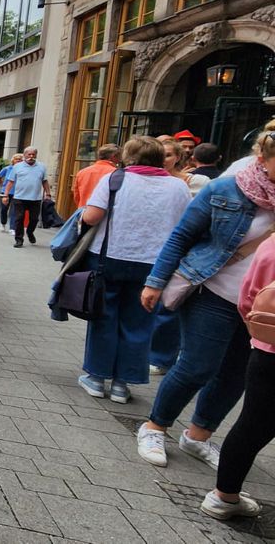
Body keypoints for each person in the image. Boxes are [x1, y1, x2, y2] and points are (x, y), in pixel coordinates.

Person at [137, 121, 275, 470]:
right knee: (198, 366)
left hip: (262, 306)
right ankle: (155, 426)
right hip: (213, 290)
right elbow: (182, 236)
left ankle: (198, 435)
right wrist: (155, 281)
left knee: (235, 375)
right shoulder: (227, 188)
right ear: (263, 157)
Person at [75, 137, 189, 404]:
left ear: (128, 157)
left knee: (104, 316)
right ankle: (121, 384)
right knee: (139, 322)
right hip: (154, 263)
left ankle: (96, 377)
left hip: (109, 257)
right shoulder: (178, 187)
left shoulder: (115, 179)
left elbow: (91, 217)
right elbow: (185, 226)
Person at [199, 235, 275, 520]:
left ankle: (224, 497)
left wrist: (258, 334)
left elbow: (249, 299)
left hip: (269, 350)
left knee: (251, 424)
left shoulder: (271, 245)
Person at [3, 147, 50, 248]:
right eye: (29, 154)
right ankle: (19, 239)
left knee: (34, 219)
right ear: (24, 155)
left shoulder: (41, 167)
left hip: (35, 198)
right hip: (19, 197)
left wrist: (48, 194)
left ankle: (30, 232)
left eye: (33, 154)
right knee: (19, 218)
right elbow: (10, 182)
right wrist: (5, 195)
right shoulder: (17, 167)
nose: (31, 156)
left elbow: (44, 181)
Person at [73, 144, 120, 208]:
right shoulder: (117, 173)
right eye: (119, 157)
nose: (120, 160)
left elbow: (77, 197)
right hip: (105, 213)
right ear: (113, 156)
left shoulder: (82, 172)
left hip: (84, 211)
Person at [0, 154, 22, 233]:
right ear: (13, 160)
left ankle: (12, 228)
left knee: (14, 210)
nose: (18, 161)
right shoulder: (7, 169)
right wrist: (2, 184)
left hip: (17, 192)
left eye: (20, 159)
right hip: (6, 192)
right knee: (4, 209)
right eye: (17, 159)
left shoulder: (22, 170)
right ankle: (3, 223)